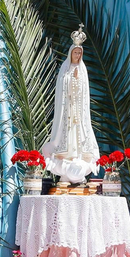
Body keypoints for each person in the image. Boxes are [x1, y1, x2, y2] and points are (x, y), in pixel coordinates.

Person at [39, 25, 101, 184]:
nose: (77, 55)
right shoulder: (65, 69)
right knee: (67, 134)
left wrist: (77, 79)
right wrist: (71, 78)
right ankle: (66, 159)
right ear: (71, 53)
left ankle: (78, 160)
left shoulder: (83, 70)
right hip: (67, 111)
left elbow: (85, 91)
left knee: (79, 133)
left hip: (78, 111)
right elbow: (61, 89)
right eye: (75, 52)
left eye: (80, 53)